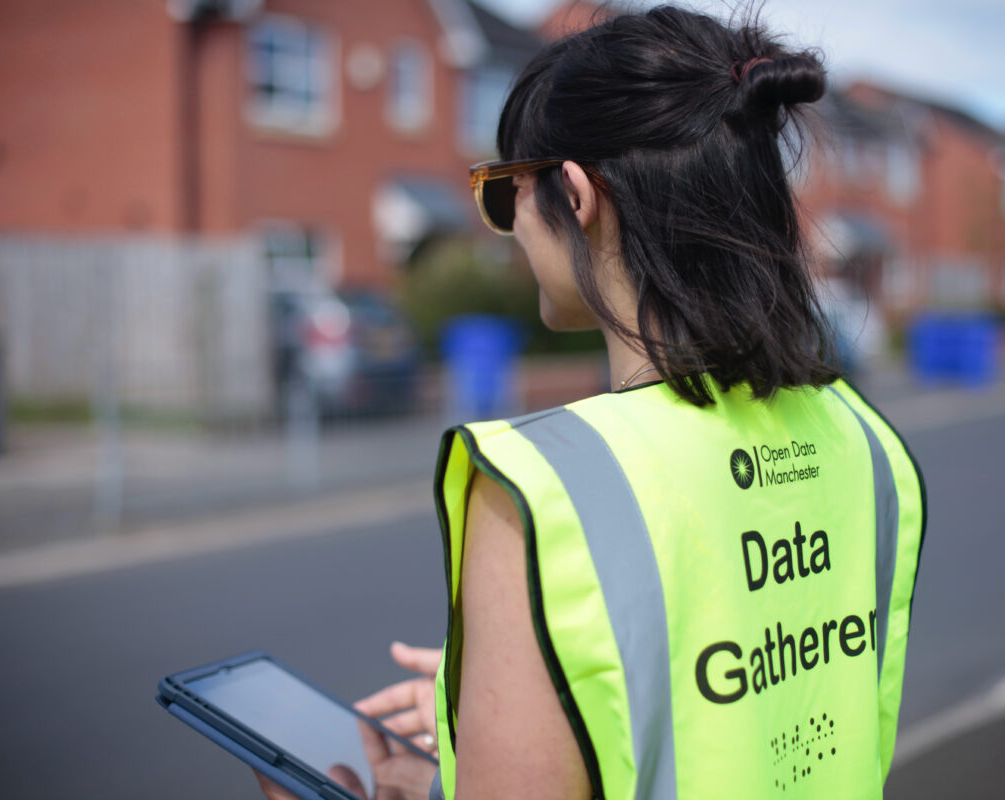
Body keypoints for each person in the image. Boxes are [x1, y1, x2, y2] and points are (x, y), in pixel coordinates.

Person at [258, 5, 925, 799]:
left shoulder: (544, 487)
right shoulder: (867, 445)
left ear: (574, 194)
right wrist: (540, 689)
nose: (508, 229)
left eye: (505, 193)